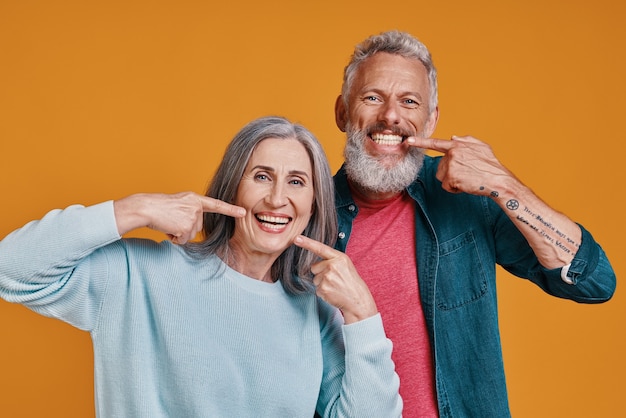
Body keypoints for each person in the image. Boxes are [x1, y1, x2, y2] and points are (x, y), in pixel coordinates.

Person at [0, 116, 402, 417]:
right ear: (232, 186)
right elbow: (11, 269)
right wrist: (135, 208)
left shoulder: (313, 310)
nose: (278, 199)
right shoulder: (139, 273)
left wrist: (363, 314)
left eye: (297, 182)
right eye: (262, 176)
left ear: (313, 204)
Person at [330, 30, 616, 417]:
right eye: (372, 97)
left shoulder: (467, 200)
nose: (391, 116)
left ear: (430, 120)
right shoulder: (304, 215)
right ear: (343, 112)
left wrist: (502, 183)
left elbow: (594, 282)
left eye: (409, 101)